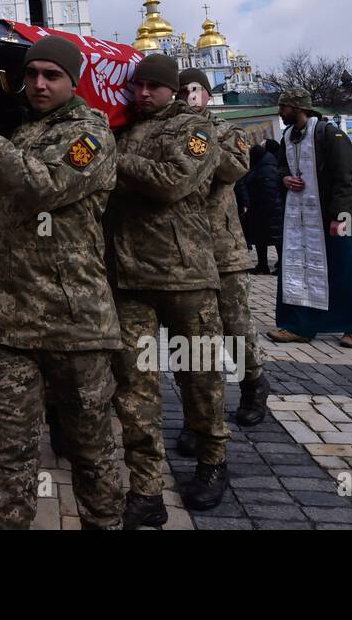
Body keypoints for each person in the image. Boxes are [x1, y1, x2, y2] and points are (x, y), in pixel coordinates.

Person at [0, 35, 123, 530]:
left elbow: (44, 186)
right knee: (8, 456)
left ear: (73, 81)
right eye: (32, 73)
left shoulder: (90, 135)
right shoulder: (13, 134)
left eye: (52, 75)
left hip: (74, 324)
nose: (39, 84)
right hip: (8, 324)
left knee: (91, 452)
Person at [104, 54, 229, 527]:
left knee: (199, 378)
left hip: (185, 277)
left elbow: (172, 182)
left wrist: (115, 158)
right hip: (129, 278)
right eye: (138, 86)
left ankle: (213, 459)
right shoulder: (123, 128)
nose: (143, 94)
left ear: (173, 90)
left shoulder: (195, 130)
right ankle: (146, 487)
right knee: (136, 389)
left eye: (154, 87)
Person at [175, 68, 267, 444]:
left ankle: (253, 383)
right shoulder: (169, 131)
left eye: (194, 91)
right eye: (181, 91)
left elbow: (233, 167)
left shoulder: (228, 132)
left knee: (235, 327)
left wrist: (199, 135)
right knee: (192, 340)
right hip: (182, 250)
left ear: (208, 96)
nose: (187, 97)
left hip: (222, 248)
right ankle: (197, 417)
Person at [266, 88, 352, 348]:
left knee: (344, 269)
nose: (280, 112)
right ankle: (299, 324)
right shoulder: (289, 136)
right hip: (299, 219)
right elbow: (281, 167)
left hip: (332, 216)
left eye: (284, 107)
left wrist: (338, 215)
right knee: (298, 270)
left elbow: (347, 176)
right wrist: (284, 178)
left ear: (297, 107)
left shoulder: (329, 134)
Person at [242, 141, 283, 274]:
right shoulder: (261, 165)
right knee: (261, 239)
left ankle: (281, 265)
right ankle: (262, 265)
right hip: (260, 209)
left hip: (269, 210)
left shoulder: (266, 168)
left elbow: (269, 190)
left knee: (276, 239)